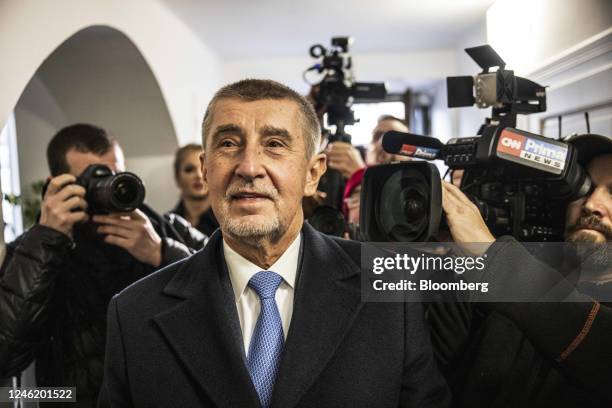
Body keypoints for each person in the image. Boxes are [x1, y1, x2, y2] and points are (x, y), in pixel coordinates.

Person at [98, 79, 451, 408]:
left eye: (275, 144)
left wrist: (491, 255)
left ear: (312, 174)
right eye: (228, 144)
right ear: (205, 170)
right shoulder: (133, 313)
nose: (249, 167)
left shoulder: (389, 286)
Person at [0, 124, 204, 407]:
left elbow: (225, 296)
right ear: (56, 184)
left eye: (112, 175)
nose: (104, 187)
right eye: (91, 179)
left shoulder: (164, 228)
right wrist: (48, 238)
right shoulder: (34, 250)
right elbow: (5, 355)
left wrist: (161, 253)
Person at [431, 133, 612, 407]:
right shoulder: (504, 281)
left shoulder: (510, 273)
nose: (591, 205)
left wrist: (493, 256)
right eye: (583, 188)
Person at [168, 144, 219, 237]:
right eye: (189, 169)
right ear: (177, 177)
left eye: (204, 168)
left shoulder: (227, 220)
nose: (199, 175)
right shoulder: (168, 224)